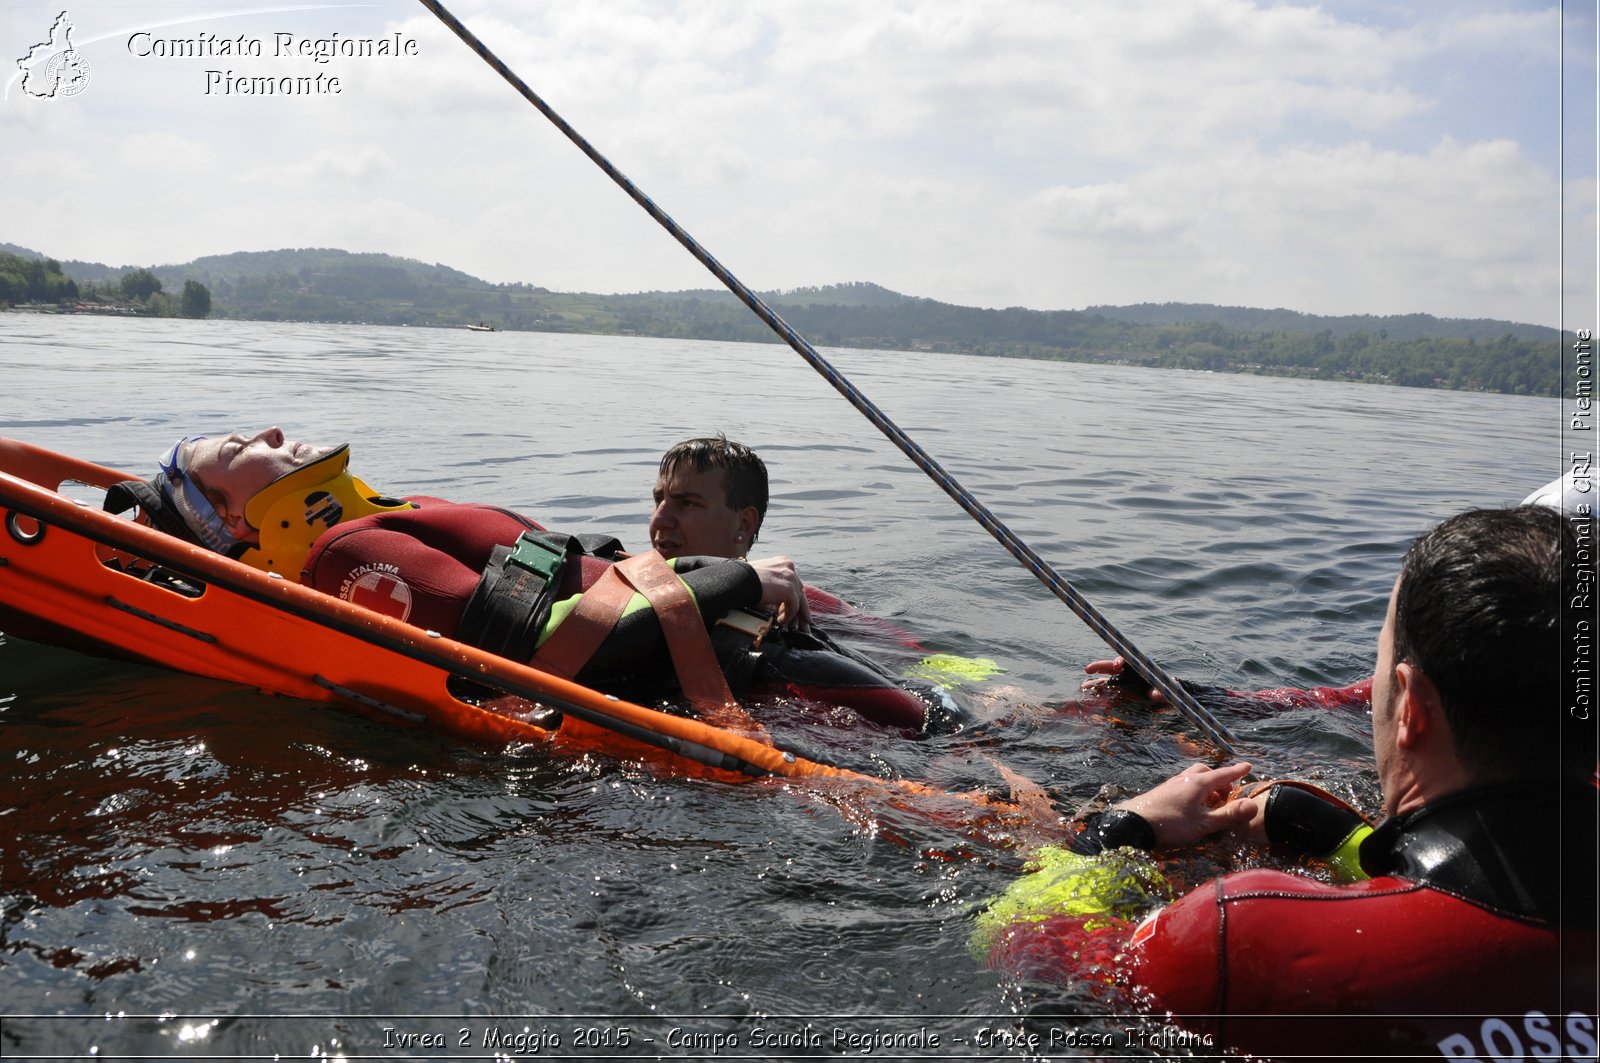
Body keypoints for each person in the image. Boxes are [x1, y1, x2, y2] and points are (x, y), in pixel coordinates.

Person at [974, 506, 1597, 1060]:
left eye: (1380, 660)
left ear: (1411, 705)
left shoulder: (1246, 930)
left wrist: (1124, 827)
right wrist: (1349, 842)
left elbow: (1028, 946)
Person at [109, 428, 938, 732]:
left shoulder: (369, 524)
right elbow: (561, 651)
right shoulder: (348, 559)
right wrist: (741, 579)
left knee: (978, 727)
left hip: (737, 648)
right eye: (231, 449)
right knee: (964, 747)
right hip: (748, 676)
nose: (269, 431)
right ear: (236, 517)